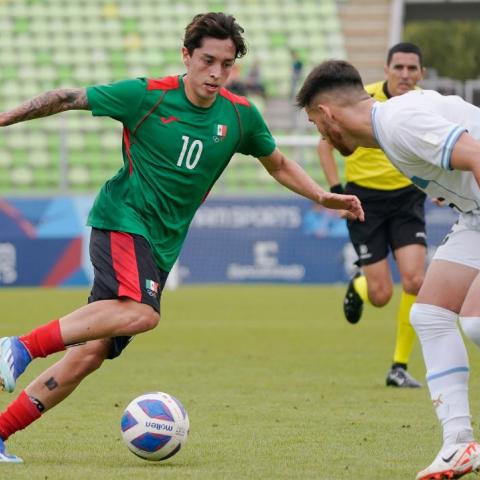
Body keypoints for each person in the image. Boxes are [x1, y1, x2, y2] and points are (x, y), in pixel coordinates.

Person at [0, 13, 363, 463]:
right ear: (186, 56)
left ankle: (0, 430)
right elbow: (65, 97)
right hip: (123, 218)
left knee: (88, 355)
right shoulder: (146, 95)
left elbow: (279, 163)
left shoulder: (240, 115)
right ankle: (18, 346)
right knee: (142, 314)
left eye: (226, 64)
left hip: (161, 244)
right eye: (207, 60)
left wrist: (322, 195)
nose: (216, 72)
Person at [297, 58, 480, 480]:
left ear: (327, 115)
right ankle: (459, 443)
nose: (320, 134)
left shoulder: (398, 122)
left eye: (315, 123)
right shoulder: (390, 128)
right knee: (430, 314)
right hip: (473, 216)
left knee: (474, 320)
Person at [317, 43, 427, 389]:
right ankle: (361, 285)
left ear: (421, 73)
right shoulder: (361, 100)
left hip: (408, 198)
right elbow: (325, 143)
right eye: (399, 68)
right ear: (386, 69)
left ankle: (399, 366)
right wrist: (336, 190)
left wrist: (441, 185)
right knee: (381, 295)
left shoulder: (425, 104)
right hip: (365, 200)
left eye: (412, 69)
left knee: (415, 281)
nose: (406, 75)